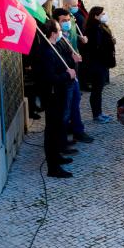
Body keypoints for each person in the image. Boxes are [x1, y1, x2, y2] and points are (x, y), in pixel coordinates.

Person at [40, 19, 77, 178]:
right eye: (59, 29)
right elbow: (49, 77)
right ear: (53, 33)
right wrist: (66, 75)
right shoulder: (47, 52)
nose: (61, 31)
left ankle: (57, 157)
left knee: (57, 128)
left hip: (59, 95)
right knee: (52, 131)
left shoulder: (53, 47)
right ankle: (53, 167)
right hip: (53, 96)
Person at [53, 8, 93, 144]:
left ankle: (77, 130)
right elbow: (59, 60)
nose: (67, 23)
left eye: (68, 20)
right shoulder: (56, 39)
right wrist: (72, 59)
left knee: (75, 103)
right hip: (65, 79)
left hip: (73, 76)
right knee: (66, 110)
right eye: (63, 21)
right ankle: (64, 139)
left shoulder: (69, 32)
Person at [82, 6, 116, 123]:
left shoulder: (99, 26)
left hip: (102, 63)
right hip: (97, 64)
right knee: (96, 90)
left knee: (99, 90)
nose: (104, 15)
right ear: (96, 16)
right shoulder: (93, 29)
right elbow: (96, 47)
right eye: (102, 14)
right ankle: (97, 114)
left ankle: (99, 113)